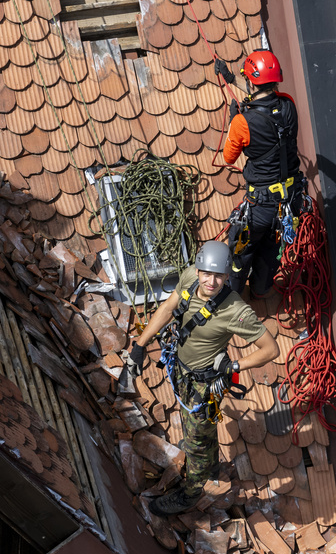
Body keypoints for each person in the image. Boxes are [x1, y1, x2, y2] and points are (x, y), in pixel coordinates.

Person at [127, 241, 280, 516]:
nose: (211, 281)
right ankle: (209, 463)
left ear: (226, 276)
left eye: (219, 276)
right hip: (183, 370)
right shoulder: (189, 277)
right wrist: (140, 344)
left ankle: (191, 493)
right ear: (198, 270)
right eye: (207, 274)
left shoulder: (235, 311)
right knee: (201, 430)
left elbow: (271, 349)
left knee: (195, 440)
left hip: (204, 383)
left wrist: (233, 366)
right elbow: (166, 309)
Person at [221, 49, 302, 297]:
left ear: (250, 80)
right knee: (271, 247)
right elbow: (267, 104)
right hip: (290, 200)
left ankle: (233, 295)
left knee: (241, 248)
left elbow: (228, 158)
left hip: (261, 205)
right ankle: (260, 289)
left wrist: (235, 120)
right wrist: (231, 80)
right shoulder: (288, 103)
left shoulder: (242, 123)